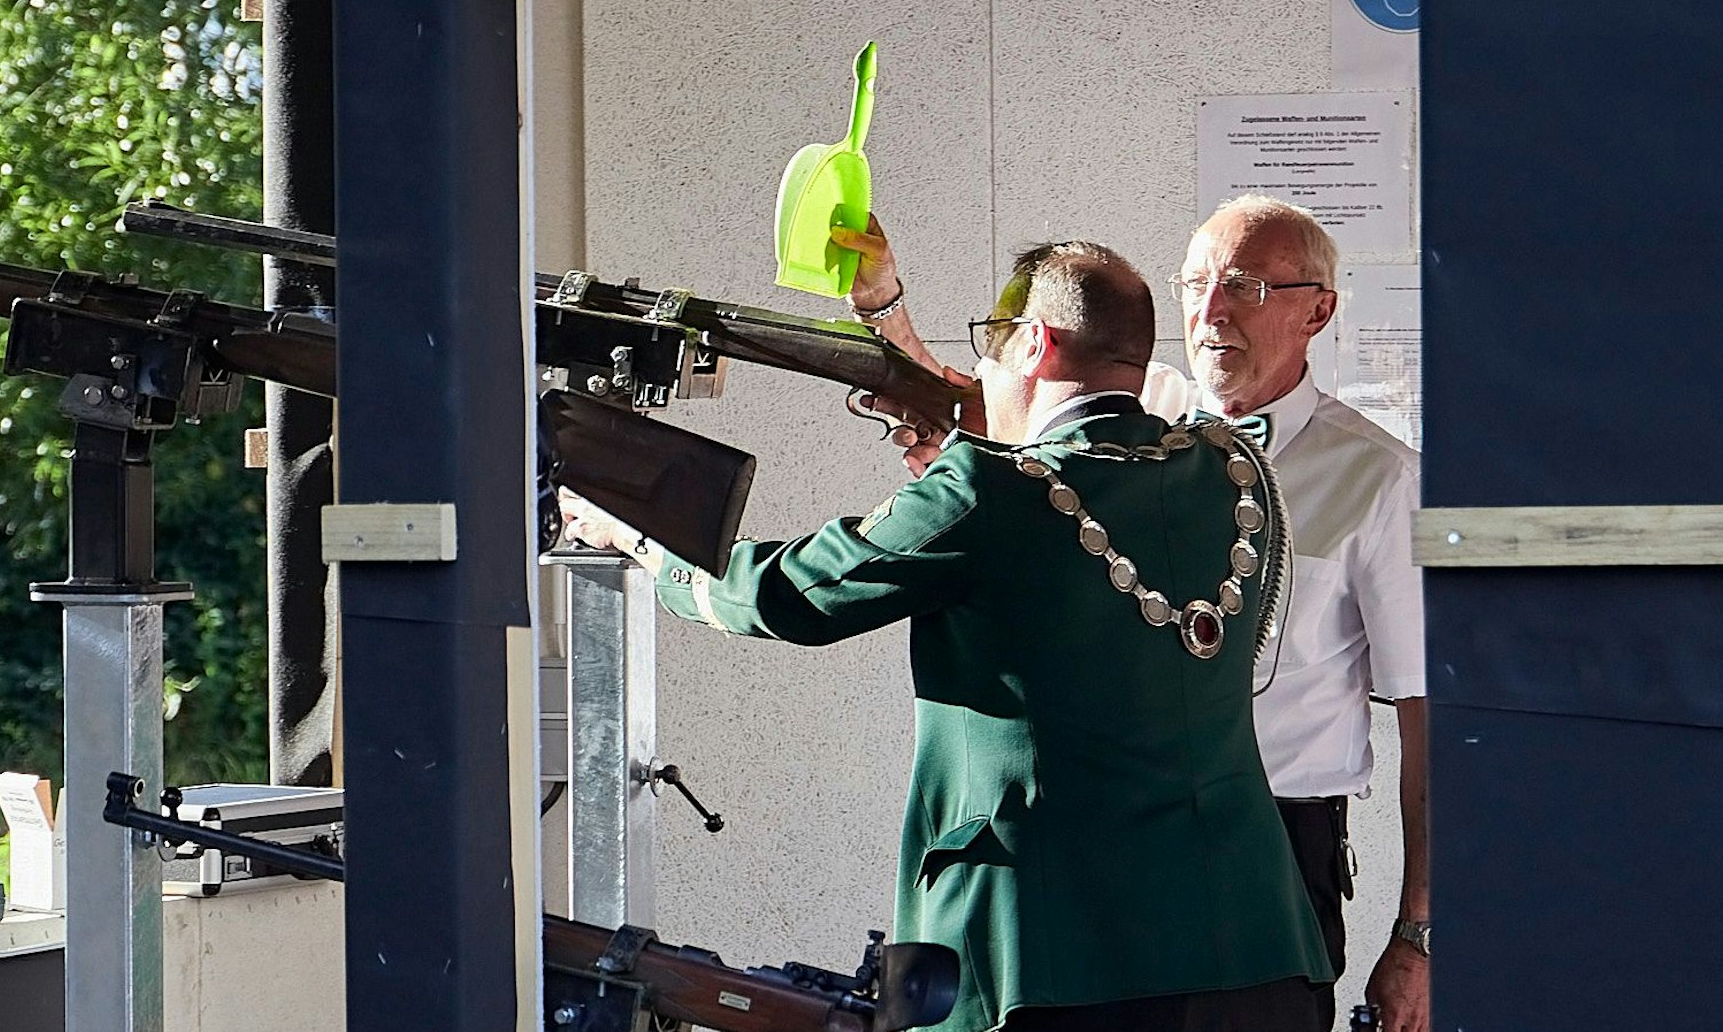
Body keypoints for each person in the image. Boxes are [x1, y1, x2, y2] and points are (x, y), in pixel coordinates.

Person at [562, 242, 1331, 1032]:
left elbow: (786, 595)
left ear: (1035, 342)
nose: (983, 368)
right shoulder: (1236, 472)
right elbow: (1091, 482)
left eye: (993, 340)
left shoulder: (980, 492)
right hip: (1255, 944)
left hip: (1042, 956)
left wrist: (642, 543)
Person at [835, 198, 1429, 1032]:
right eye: (1196, 283)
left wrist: (1419, 934)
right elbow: (980, 402)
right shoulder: (1141, 413)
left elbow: (1427, 715)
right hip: (1108, 835)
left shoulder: (1379, 477)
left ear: (1319, 309)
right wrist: (882, 304)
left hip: (1274, 848)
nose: (1211, 309)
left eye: (1248, 287)